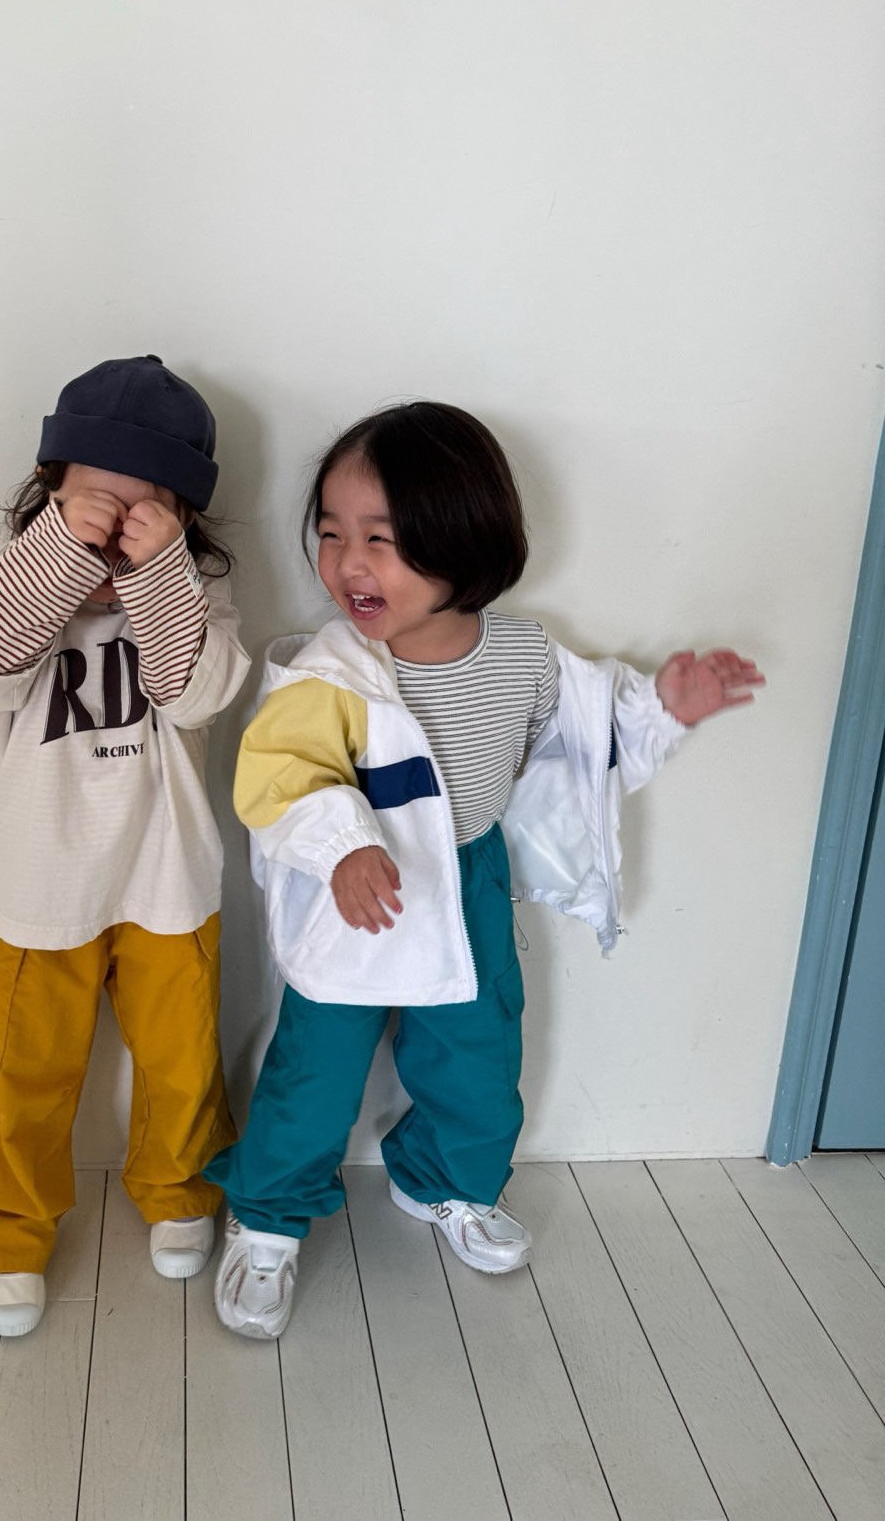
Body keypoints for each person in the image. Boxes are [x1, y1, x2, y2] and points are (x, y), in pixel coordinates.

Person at [205, 401, 763, 1339]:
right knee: (317, 1068)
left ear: (462, 539)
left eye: (380, 539)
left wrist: (664, 707)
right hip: (359, 891)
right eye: (332, 533)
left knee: (477, 1051)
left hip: (468, 878)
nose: (348, 563)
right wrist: (342, 844)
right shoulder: (334, 671)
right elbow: (280, 772)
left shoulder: (523, 656)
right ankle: (266, 1216)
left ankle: (446, 1182)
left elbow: (586, 736)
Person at [0, 355, 249, 1337]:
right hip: (34, 878)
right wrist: (62, 551)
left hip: (167, 870)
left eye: (144, 508)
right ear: (49, 491)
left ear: (184, 516)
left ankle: (179, 1189)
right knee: (23, 1076)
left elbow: (192, 693)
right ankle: (8, 1232)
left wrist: (159, 572)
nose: (116, 523)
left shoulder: (200, 596)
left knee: (181, 1061)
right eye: (93, 500)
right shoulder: (15, 585)